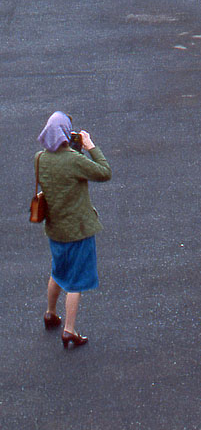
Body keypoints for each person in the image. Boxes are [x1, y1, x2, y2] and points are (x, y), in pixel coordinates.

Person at [36, 111, 112, 349]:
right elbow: (104, 172)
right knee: (76, 282)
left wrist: (73, 151)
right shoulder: (74, 161)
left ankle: (50, 313)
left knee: (58, 271)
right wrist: (90, 146)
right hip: (78, 229)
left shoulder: (40, 158)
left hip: (55, 228)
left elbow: (61, 174)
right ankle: (69, 330)